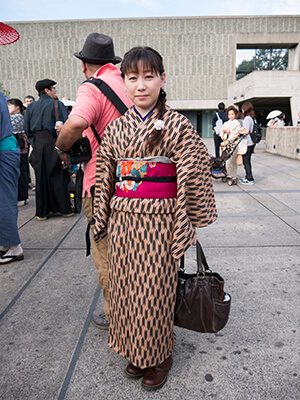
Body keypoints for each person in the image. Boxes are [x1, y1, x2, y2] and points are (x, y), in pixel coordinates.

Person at [93, 46, 217, 390]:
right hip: (123, 222)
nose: (141, 85)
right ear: (124, 82)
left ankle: (160, 354)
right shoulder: (118, 128)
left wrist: (187, 219)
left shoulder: (177, 125)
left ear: (163, 79)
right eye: (133, 78)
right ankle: (137, 349)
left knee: (156, 290)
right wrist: (101, 216)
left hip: (160, 222)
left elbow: (193, 169)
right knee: (126, 289)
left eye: (149, 76)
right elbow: (105, 171)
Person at [55, 33, 132, 329]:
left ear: (84, 64)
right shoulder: (127, 84)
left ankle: (117, 316)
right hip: (134, 184)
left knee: (105, 254)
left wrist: (61, 148)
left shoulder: (91, 87)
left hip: (99, 184)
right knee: (129, 252)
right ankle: (137, 308)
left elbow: (76, 122)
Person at [24, 79, 70, 220]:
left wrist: (35, 143)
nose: (55, 91)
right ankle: (64, 210)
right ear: (47, 90)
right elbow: (67, 125)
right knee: (59, 175)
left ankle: (42, 212)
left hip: (38, 143)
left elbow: (27, 129)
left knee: (41, 177)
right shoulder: (58, 104)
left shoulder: (31, 107)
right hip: (54, 141)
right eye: (53, 88)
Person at [0, 92, 24, 265]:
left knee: (4, 201)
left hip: (4, 152)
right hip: (7, 150)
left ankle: (14, 247)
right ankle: (7, 243)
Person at [7, 98, 29, 206]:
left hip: (17, 149)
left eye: (9, 106)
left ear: (16, 107)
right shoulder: (20, 117)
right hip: (22, 149)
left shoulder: (15, 118)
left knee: (19, 174)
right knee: (23, 173)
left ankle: (21, 197)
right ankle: (24, 197)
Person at [219, 105, 244, 184]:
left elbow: (236, 133)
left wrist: (228, 131)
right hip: (226, 143)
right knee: (226, 160)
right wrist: (224, 131)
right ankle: (227, 173)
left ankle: (233, 175)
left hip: (233, 144)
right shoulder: (226, 123)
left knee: (232, 160)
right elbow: (221, 133)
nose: (231, 116)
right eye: (229, 114)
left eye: (232, 114)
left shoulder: (237, 123)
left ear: (235, 114)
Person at [239, 102, 256, 185]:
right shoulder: (251, 118)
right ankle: (247, 176)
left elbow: (246, 130)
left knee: (246, 161)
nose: (242, 110)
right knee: (247, 160)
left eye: (243, 108)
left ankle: (249, 179)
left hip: (248, 143)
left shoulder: (247, 119)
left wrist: (239, 131)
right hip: (251, 142)